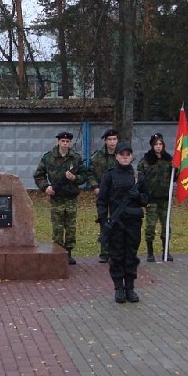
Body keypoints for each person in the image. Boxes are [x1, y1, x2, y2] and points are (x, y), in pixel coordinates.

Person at [96, 141, 148, 303]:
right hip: (116, 222)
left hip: (133, 221)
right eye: (122, 154)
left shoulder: (138, 176)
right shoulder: (109, 175)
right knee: (116, 255)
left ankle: (130, 288)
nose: (125, 157)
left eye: (128, 155)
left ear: (131, 157)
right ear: (116, 156)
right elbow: (102, 200)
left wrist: (138, 196)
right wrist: (103, 220)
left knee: (131, 255)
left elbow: (146, 199)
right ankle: (119, 287)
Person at [34, 130, 89, 265]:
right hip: (57, 197)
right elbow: (39, 175)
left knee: (70, 227)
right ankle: (58, 253)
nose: (65, 144)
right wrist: (46, 187)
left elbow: (84, 176)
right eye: (62, 141)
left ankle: (68, 252)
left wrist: (75, 177)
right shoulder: (49, 158)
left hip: (71, 198)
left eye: (67, 141)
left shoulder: (76, 158)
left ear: (70, 143)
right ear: (58, 142)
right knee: (57, 227)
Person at [138, 133, 176, 262]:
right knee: (150, 227)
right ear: (152, 146)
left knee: (166, 227)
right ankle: (150, 252)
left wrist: (177, 168)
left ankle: (166, 251)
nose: (158, 146)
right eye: (156, 144)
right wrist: (143, 199)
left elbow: (175, 177)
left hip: (165, 200)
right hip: (151, 200)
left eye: (160, 144)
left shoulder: (169, 160)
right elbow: (141, 182)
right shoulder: (145, 161)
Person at [89, 129, 119, 263]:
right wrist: (95, 187)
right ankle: (104, 252)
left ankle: (115, 252)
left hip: (117, 196)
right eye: (110, 139)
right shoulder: (97, 157)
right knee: (103, 221)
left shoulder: (121, 155)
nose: (112, 142)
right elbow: (89, 173)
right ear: (105, 141)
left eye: (114, 139)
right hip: (102, 195)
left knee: (117, 221)